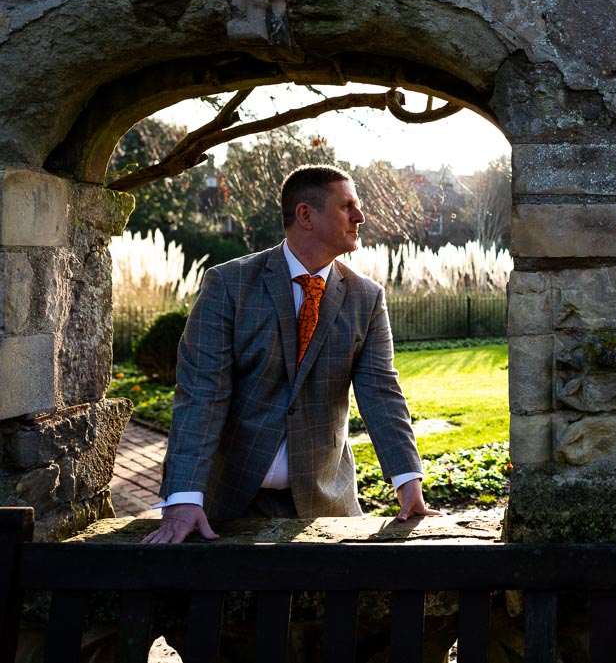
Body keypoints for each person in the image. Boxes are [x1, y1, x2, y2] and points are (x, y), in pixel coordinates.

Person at [143, 165, 440, 543]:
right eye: (347, 206)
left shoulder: (366, 297)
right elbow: (202, 393)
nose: (360, 217)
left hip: (325, 504)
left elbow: (381, 391)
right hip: (228, 504)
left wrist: (407, 480)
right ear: (306, 215)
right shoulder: (229, 285)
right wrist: (184, 496)